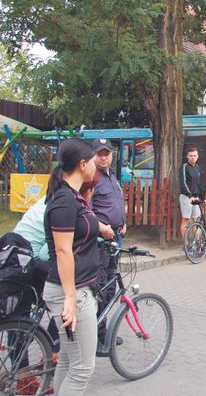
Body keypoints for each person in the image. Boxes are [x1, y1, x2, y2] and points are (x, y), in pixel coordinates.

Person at [43, 138, 99, 396]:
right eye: (94, 160)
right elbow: (63, 250)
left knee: (67, 360)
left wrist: (104, 229)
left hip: (75, 289)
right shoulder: (65, 200)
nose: (97, 164)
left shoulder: (73, 196)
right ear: (82, 164)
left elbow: (79, 232)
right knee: (82, 369)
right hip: (71, 293)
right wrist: (70, 298)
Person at [89, 138, 124, 351]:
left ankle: (103, 333)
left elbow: (117, 201)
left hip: (115, 239)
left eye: (107, 153)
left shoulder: (112, 176)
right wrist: (102, 226)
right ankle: (97, 337)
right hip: (100, 242)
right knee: (100, 289)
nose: (104, 157)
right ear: (93, 155)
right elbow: (87, 210)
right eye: (100, 153)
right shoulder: (91, 178)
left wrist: (124, 223)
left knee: (110, 288)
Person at [179, 146, 202, 238]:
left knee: (196, 220)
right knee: (186, 219)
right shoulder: (184, 167)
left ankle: (197, 243)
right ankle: (186, 244)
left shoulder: (197, 167)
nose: (193, 157)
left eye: (194, 155)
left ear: (197, 156)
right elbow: (183, 182)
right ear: (187, 156)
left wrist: (199, 196)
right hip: (186, 197)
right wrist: (189, 195)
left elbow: (198, 183)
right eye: (191, 155)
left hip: (195, 197)